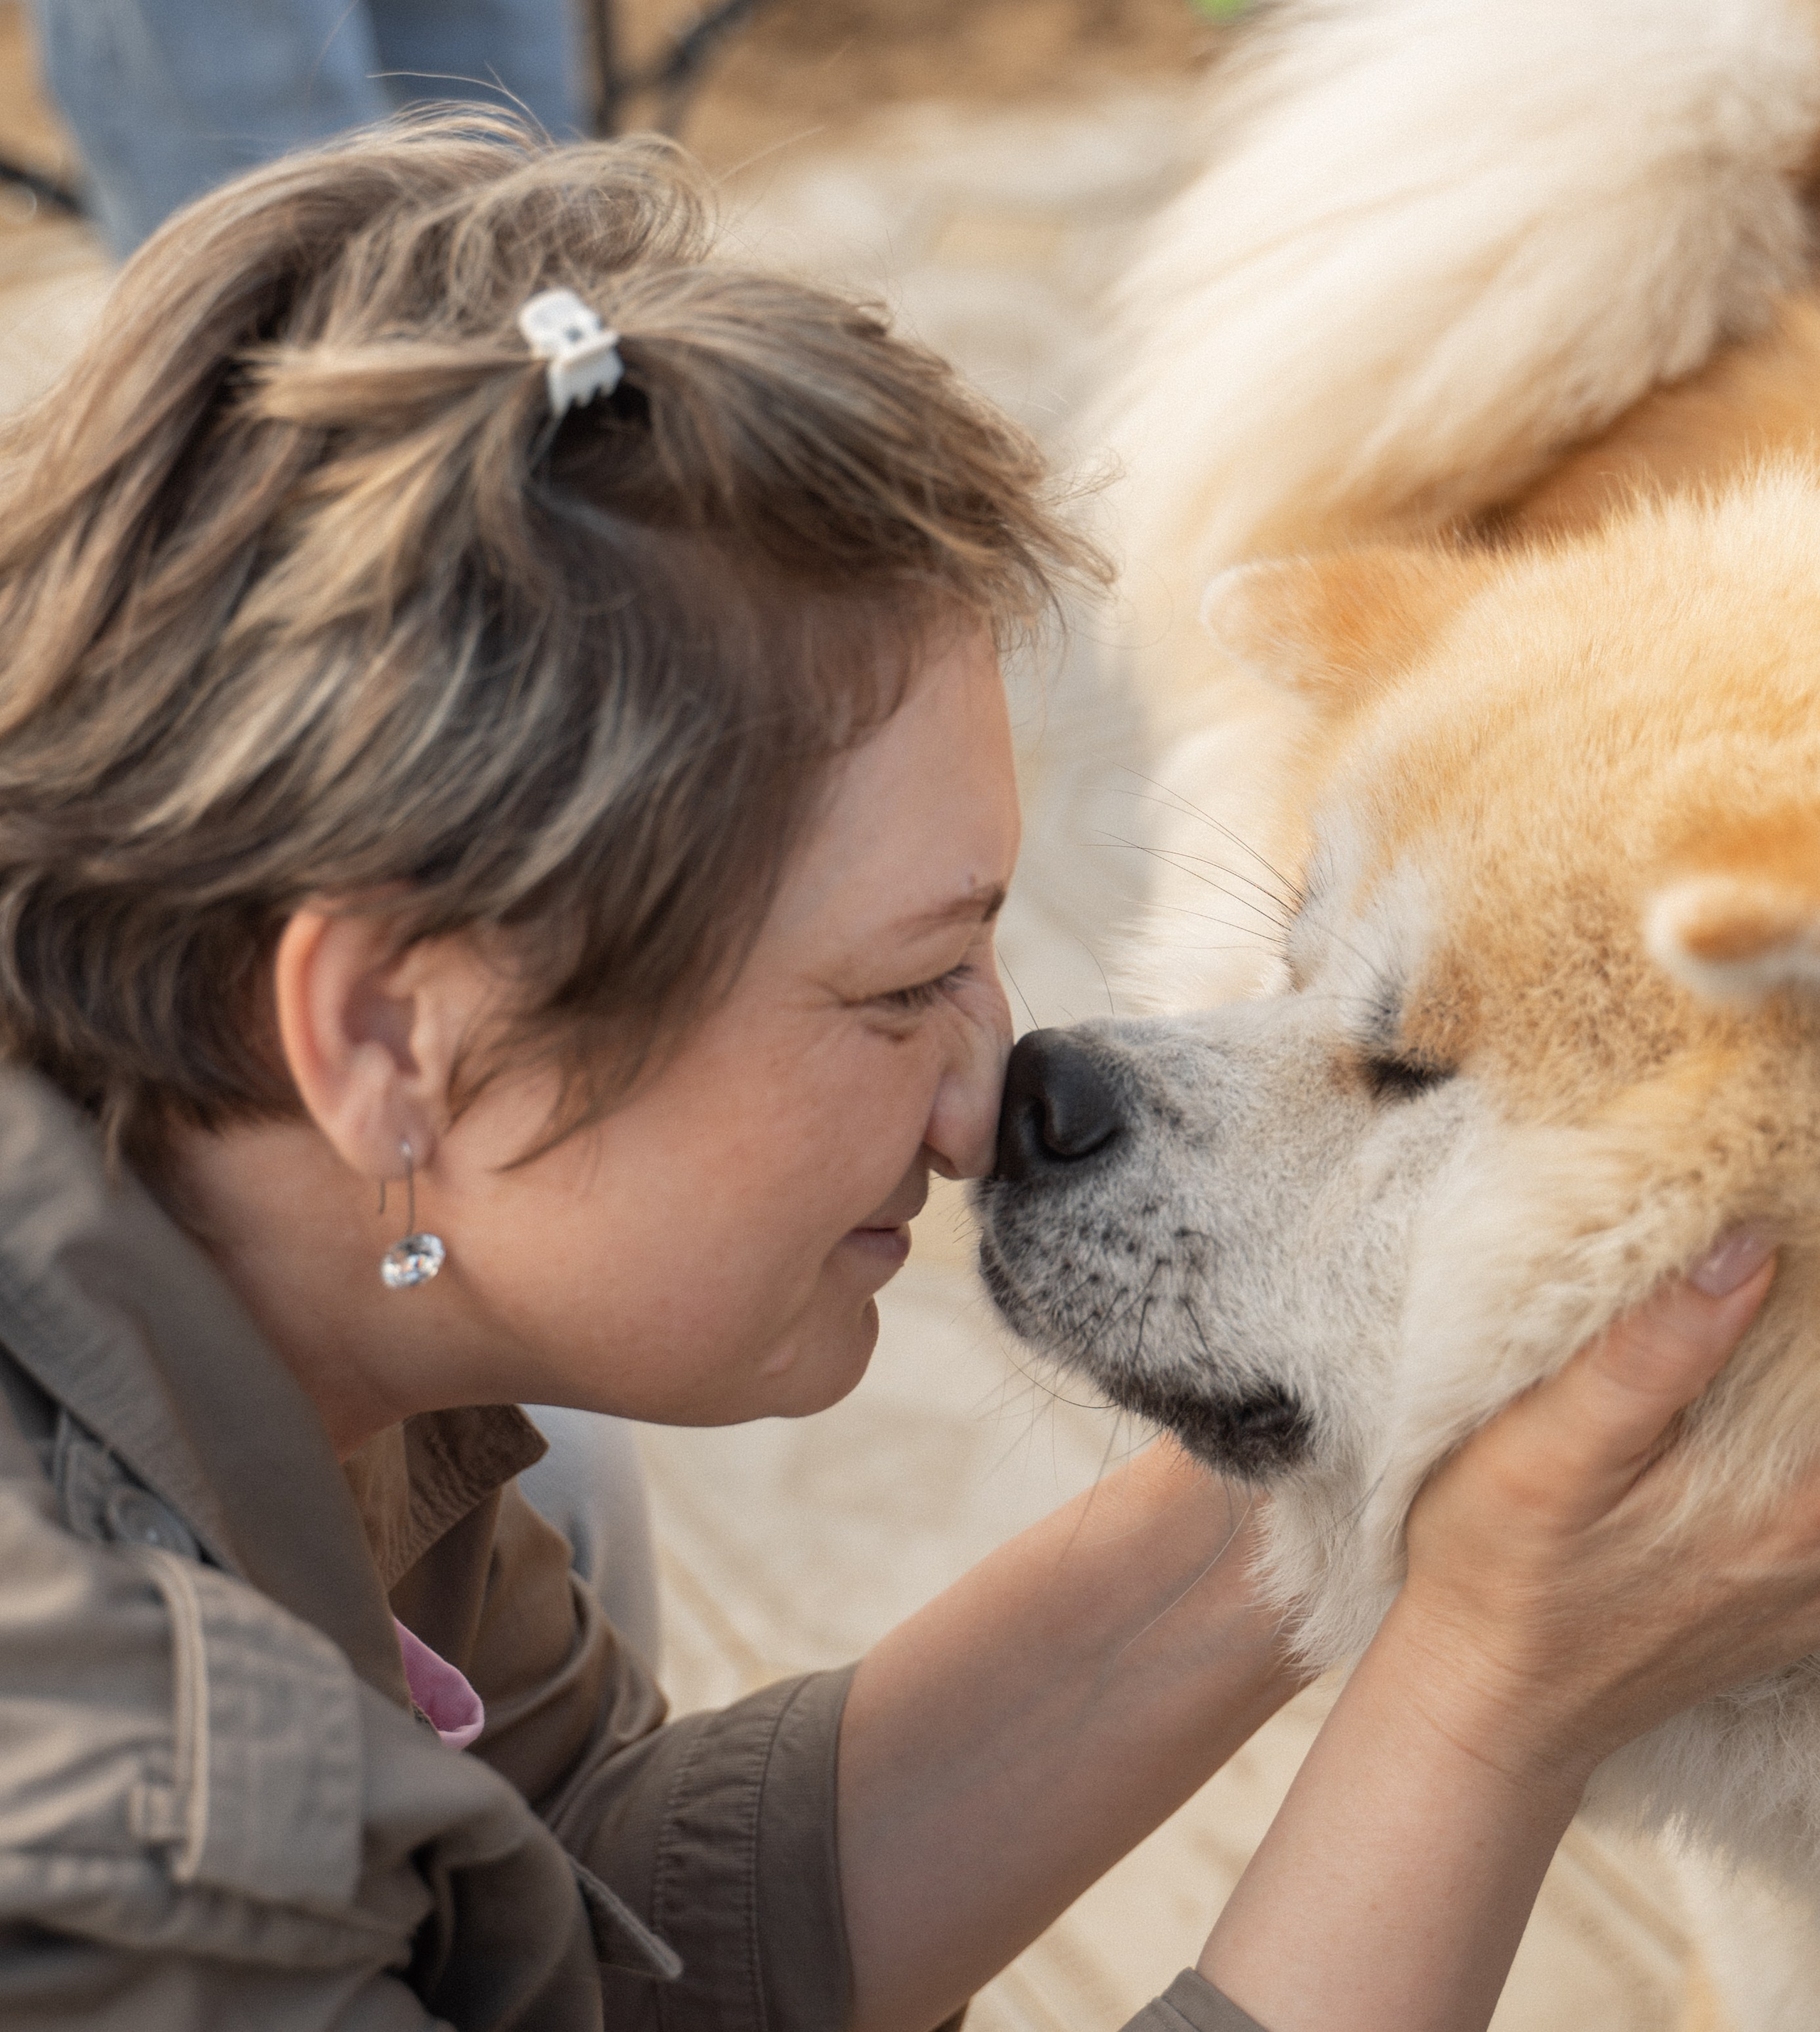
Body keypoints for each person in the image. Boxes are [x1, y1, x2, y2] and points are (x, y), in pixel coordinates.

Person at [0, 114, 1812, 2032]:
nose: (987, 1088)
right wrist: (1477, 1700)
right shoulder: (108, 1832)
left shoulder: (290, 1275)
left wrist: (1425, 1440)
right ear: (389, 1035)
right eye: (895, 989)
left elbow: (582, 1917)